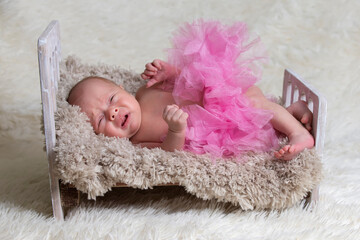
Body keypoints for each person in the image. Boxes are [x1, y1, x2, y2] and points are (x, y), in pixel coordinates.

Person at [67, 20, 314, 160]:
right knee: (259, 120)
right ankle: (290, 111)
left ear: (123, 89)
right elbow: (169, 153)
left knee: (254, 104)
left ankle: (298, 134)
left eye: (112, 99)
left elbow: (187, 79)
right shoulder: (139, 142)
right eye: (100, 119)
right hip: (223, 125)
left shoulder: (145, 91)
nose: (112, 112)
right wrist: (176, 130)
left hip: (220, 94)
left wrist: (169, 73)